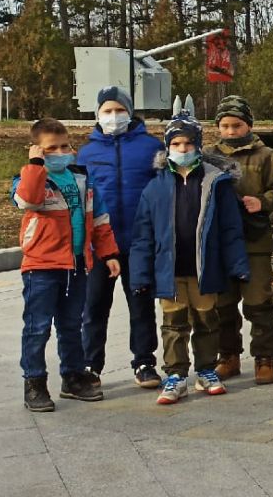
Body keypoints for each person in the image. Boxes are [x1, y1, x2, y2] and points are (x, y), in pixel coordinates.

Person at [129, 113, 250, 405]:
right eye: (177, 144)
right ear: (168, 147)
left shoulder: (215, 183)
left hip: (203, 269)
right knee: (174, 324)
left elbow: (230, 229)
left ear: (198, 145)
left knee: (207, 321)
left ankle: (206, 369)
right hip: (170, 270)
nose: (182, 150)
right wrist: (140, 275)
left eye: (188, 143)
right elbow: (143, 236)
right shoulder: (155, 187)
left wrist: (237, 265)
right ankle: (175, 374)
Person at [14, 118, 119, 411]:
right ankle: (34, 382)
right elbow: (28, 200)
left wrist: (108, 253)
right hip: (42, 267)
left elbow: (99, 219)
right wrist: (35, 166)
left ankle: (72, 376)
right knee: (37, 328)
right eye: (51, 149)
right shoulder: (29, 178)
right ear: (36, 150)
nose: (60, 153)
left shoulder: (82, 178)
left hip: (76, 265)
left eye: (65, 146)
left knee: (71, 325)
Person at [78, 86, 163, 389]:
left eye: (119, 110)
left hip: (139, 243)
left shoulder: (151, 147)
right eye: (107, 111)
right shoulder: (87, 152)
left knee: (141, 306)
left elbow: (161, 192)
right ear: (97, 114)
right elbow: (80, 199)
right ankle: (91, 364)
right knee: (95, 306)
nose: (113, 116)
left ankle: (144, 362)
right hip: (101, 246)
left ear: (130, 112)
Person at [210, 95, 273, 386]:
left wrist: (262, 202)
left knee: (259, 303)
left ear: (248, 125)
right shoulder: (209, 154)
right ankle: (228, 355)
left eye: (236, 125)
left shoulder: (266, 156)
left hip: (255, 239)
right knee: (223, 304)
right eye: (225, 126)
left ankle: (265, 358)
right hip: (221, 242)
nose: (230, 132)